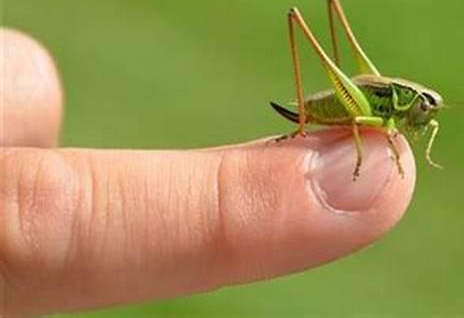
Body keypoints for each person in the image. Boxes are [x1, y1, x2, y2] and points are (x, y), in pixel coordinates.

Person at [0, 28, 415, 316]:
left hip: (360, 101)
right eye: (422, 106)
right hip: (353, 104)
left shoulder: (412, 116)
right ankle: (304, 125)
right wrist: (358, 153)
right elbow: (366, 123)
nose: (424, 115)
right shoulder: (384, 110)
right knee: (362, 123)